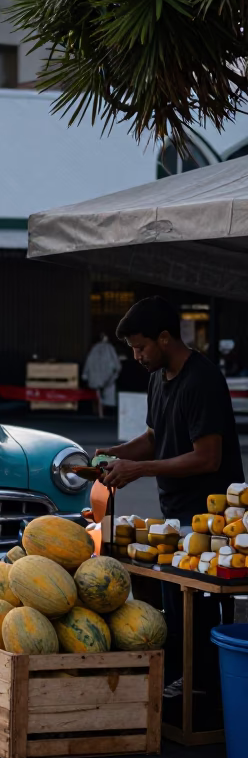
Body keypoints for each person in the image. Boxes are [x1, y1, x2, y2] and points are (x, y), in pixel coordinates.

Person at [101, 296, 243, 714]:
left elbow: (208, 457)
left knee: (197, 605)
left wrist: (137, 470)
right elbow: (152, 437)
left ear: (165, 338)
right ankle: (188, 678)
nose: (136, 355)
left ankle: (204, 690)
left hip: (213, 522)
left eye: (141, 347)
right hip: (176, 514)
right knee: (172, 599)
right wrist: (114, 455)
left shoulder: (202, 380)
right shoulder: (158, 377)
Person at [82, 333, 122, 418]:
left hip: (96, 378)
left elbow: (88, 363)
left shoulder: (94, 349)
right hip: (107, 378)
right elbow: (117, 365)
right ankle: (102, 414)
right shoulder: (110, 348)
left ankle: (99, 413)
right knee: (105, 396)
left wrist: (85, 375)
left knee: (97, 395)